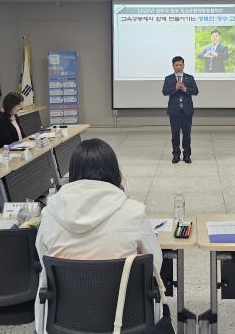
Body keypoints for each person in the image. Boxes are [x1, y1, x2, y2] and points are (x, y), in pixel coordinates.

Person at [34, 138, 162, 331]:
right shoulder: (133, 212)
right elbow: (154, 264)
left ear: (73, 173)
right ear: (114, 171)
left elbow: (43, 258)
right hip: (126, 320)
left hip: (66, 322)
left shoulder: (50, 213)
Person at [162, 56, 199, 164]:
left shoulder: (189, 78)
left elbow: (196, 91)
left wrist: (185, 89)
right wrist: (175, 88)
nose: (179, 67)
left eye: (180, 65)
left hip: (187, 111)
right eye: (176, 65)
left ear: (184, 65)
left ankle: (187, 155)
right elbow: (164, 91)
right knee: (175, 135)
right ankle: (176, 155)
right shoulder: (168, 78)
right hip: (174, 111)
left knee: (187, 134)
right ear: (173, 66)